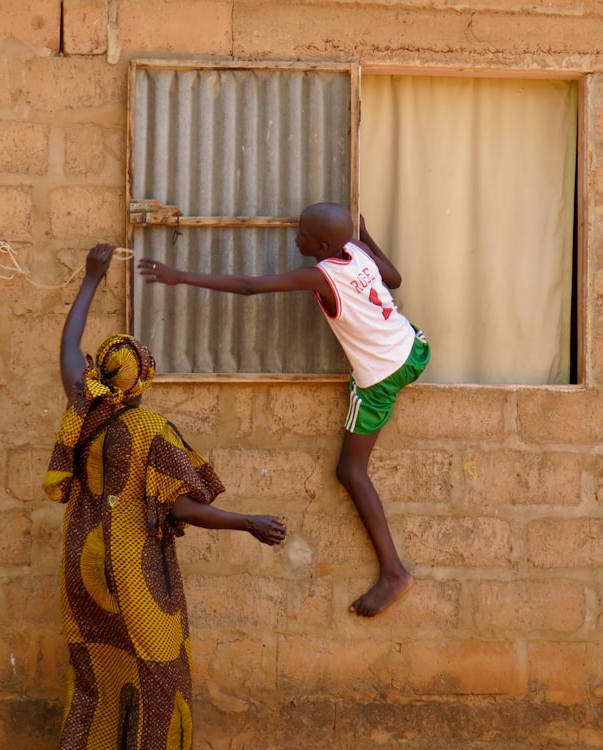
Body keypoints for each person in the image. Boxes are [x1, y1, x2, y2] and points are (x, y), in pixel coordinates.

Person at [45, 243, 286, 749]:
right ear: (144, 379)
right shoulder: (151, 430)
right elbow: (181, 507)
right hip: (135, 568)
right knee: (159, 676)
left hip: (81, 564)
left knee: (96, 674)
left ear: (103, 373)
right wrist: (248, 522)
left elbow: (68, 347)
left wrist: (92, 278)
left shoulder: (83, 406)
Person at [138, 203, 430, 617]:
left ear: (322, 245)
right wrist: (364, 238)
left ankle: (394, 572)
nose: (295, 238)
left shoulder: (321, 274)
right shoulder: (357, 252)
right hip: (414, 347)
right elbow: (394, 278)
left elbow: (247, 286)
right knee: (355, 453)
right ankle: (393, 571)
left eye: (301, 233)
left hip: (383, 375)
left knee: (350, 471)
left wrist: (180, 275)